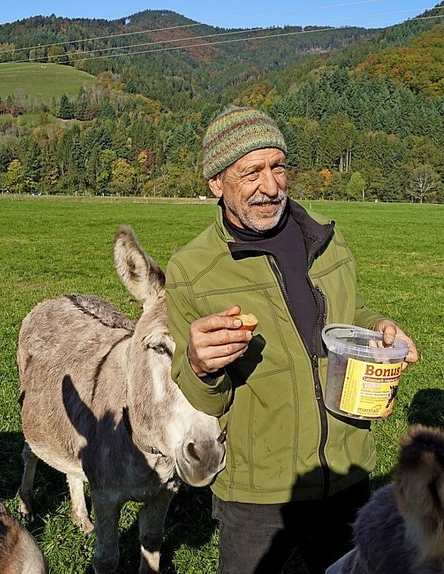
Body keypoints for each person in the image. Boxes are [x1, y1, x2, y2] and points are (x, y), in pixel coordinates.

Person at [164, 105, 419, 574]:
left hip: (347, 472)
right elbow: (205, 398)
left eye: (278, 166)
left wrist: (378, 325)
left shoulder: (326, 238)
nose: (271, 185)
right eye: (251, 172)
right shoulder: (193, 271)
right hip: (260, 495)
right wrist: (200, 365)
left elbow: (349, 314)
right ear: (216, 184)